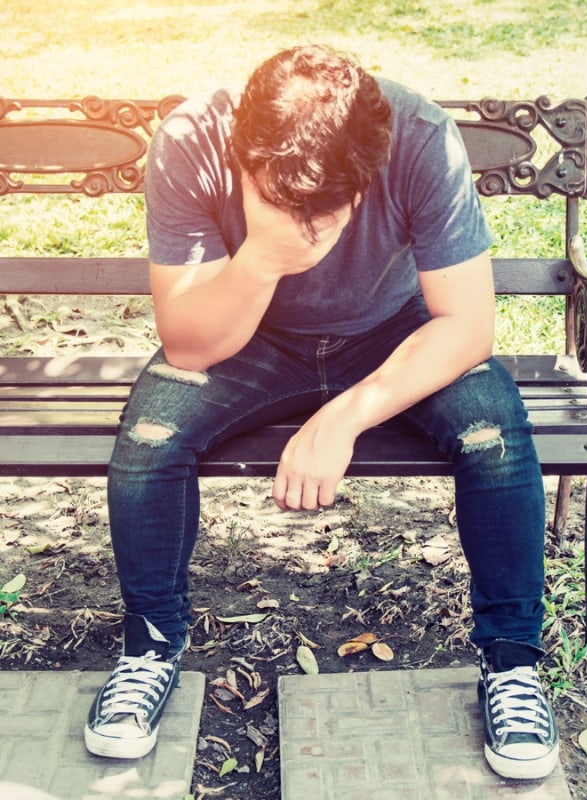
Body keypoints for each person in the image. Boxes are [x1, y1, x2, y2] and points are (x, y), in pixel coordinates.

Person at [83, 44, 559, 780]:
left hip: (394, 333)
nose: (305, 223)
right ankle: (149, 647)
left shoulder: (420, 135)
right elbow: (186, 343)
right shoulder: (192, 142)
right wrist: (263, 257)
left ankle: (513, 665)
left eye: (327, 207)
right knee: (149, 438)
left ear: (369, 171)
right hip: (251, 336)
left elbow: (466, 325)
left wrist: (345, 416)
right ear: (244, 154)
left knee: (492, 435)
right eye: (278, 197)